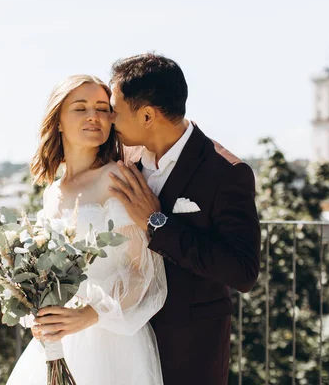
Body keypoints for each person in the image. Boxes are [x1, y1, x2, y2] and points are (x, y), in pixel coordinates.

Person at [108, 53, 261, 385]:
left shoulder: (226, 173)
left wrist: (158, 222)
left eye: (115, 112)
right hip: (122, 342)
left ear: (147, 115)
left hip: (188, 350)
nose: (110, 120)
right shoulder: (122, 159)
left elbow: (243, 272)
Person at [6, 74, 167, 385]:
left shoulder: (118, 178)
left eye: (102, 108)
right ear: (59, 122)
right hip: (62, 340)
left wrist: (89, 315)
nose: (94, 116)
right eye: (80, 108)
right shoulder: (52, 192)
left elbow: (143, 272)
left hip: (113, 341)